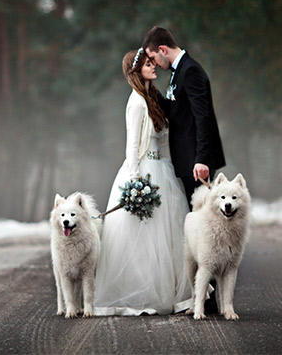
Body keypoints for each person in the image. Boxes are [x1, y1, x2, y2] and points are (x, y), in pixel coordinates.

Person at [93, 48, 192, 316]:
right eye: (148, 64)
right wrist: (135, 183)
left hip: (162, 169)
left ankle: (175, 295)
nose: (154, 66)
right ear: (135, 71)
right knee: (144, 238)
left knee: (167, 234)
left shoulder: (152, 98)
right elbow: (132, 145)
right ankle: (144, 295)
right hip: (144, 172)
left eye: (152, 62)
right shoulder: (136, 102)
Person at [142, 26, 226, 205]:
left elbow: (204, 116)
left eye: (153, 58)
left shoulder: (190, 71)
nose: (154, 63)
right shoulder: (178, 71)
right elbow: (176, 110)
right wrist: (149, 91)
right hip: (187, 159)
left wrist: (202, 159)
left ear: (163, 50)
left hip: (196, 161)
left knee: (201, 219)